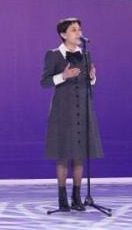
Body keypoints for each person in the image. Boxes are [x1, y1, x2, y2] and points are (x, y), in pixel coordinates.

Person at [41, 18, 102, 212]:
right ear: (63, 34)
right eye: (74, 30)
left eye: (79, 29)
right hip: (63, 110)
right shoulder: (53, 55)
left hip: (83, 108)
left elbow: (89, 83)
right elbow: (44, 82)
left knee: (79, 156)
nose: (78, 33)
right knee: (63, 155)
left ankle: (77, 197)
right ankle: (62, 199)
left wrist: (92, 77)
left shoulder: (85, 54)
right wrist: (63, 76)